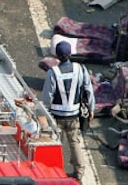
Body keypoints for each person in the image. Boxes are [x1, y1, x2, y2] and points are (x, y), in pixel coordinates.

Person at [39, 40, 95, 183]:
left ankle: (53, 171)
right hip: (74, 115)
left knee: (55, 143)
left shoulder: (53, 72)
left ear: (57, 56)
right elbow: (88, 90)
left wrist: (42, 114)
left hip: (56, 116)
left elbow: (47, 96)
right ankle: (79, 171)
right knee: (74, 142)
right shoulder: (80, 69)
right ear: (70, 54)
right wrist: (91, 109)